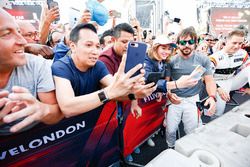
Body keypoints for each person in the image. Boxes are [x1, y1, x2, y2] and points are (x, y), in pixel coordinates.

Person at [52, 23, 147, 118]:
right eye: (88, 45)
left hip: (95, 124)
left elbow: (116, 87)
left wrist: (134, 86)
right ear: (73, 46)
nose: (95, 51)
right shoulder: (61, 67)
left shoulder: (98, 65)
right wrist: (108, 92)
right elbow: (68, 108)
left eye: (97, 46)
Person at [0, 8, 63, 135]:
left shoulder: (37, 64)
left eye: (18, 32)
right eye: (7, 33)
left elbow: (56, 113)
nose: (23, 41)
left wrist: (42, 110)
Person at [165, 27, 217, 148]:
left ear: (196, 43)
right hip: (174, 99)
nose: (186, 45)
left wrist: (212, 97)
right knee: (171, 130)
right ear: (177, 44)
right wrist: (168, 95)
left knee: (191, 131)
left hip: (192, 100)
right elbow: (166, 83)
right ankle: (170, 148)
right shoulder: (171, 61)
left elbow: (209, 81)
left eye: (190, 42)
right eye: (183, 42)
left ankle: (189, 151)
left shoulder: (203, 59)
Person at [210, 29, 250, 118]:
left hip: (232, 81)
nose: (237, 46)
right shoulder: (214, 57)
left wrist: (247, 87)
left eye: (240, 44)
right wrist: (218, 89)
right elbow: (206, 79)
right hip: (218, 83)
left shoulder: (243, 54)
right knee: (218, 113)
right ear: (227, 41)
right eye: (234, 43)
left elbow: (246, 69)